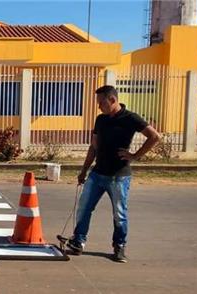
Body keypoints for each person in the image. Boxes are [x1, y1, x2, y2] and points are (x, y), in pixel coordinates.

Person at [66, 85, 160, 263]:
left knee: (119, 213)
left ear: (112, 100)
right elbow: (94, 146)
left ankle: (119, 246)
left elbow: (154, 136)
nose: (99, 106)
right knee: (84, 208)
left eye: (102, 102)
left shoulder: (130, 118)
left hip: (119, 176)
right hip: (97, 173)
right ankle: (78, 241)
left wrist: (135, 156)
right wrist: (84, 170)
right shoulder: (101, 120)